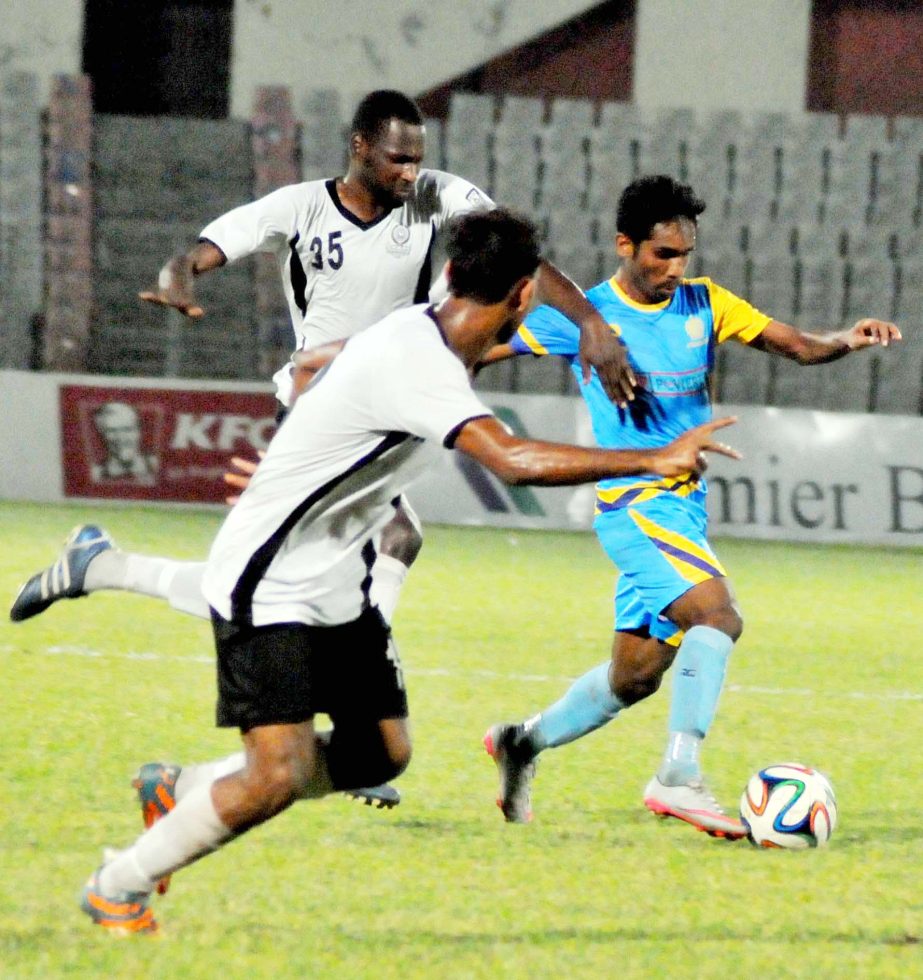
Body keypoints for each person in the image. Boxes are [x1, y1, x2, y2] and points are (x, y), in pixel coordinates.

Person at [78, 208, 739, 934]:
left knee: (379, 752)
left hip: (336, 577)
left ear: (451, 273)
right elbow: (511, 459)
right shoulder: (421, 364)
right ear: (522, 297)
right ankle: (118, 882)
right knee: (276, 775)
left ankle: (183, 789)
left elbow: (307, 365)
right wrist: (652, 456)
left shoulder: (429, 323)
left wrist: (298, 449)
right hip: (271, 582)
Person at [10, 89, 635, 811]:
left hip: (395, 390)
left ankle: (103, 565)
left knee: (310, 567)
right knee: (363, 550)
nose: (410, 172)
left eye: (417, 159)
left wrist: (588, 319)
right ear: (359, 147)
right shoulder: (302, 208)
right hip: (321, 399)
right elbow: (210, 248)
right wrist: (178, 275)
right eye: (397, 158)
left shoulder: (435, 199)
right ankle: (355, 735)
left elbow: (520, 256)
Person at [480, 175, 901, 835]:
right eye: (661, 255)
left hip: (683, 509)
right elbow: (482, 348)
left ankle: (520, 742)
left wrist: (848, 337)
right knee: (716, 616)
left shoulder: (704, 303)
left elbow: (794, 345)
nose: (675, 269)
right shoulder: (585, 317)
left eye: (683, 255)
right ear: (625, 244)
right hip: (634, 506)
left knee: (634, 677)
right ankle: (677, 775)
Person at [90, 402, 159, 485]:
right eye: (112, 430)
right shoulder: (95, 475)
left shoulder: (157, 465)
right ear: (102, 434)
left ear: (139, 431)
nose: (121, 437)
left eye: (127, 429)